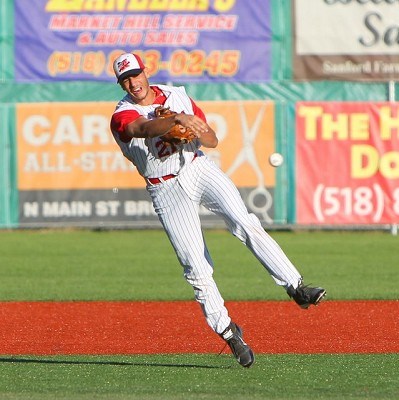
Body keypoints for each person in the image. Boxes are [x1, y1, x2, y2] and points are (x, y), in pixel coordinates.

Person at [110, 53, 326, 368]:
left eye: (135, 74)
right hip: (165, 187)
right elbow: (141, 128)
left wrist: (193, 128)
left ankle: (296, 287)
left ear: (146, 71)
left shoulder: (177, 95)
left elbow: (211, 139)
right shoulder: (122, 113)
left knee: (246, 223)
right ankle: (228, 331)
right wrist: (174, 121)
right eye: (125, 79)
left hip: (197, 166)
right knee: (196, 268)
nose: (132, 83)